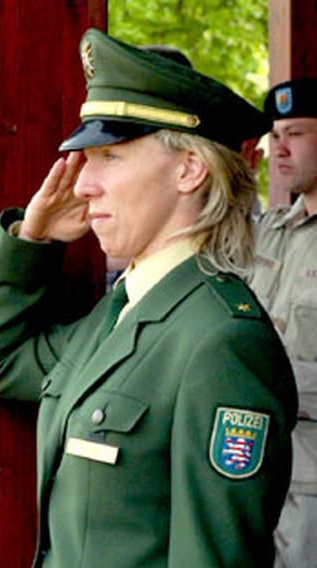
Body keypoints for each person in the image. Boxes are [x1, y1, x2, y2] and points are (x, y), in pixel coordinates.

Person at [0, 29, 297, 566]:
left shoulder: (223, 343)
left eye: (110, 157)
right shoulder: (122, 313)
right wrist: (33, 240)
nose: (83, 185)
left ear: (189, 169)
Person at [249, 77, 317, 568]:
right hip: (254, 472)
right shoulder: (269, 231)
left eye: (295, 133)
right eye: (275, 137)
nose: (280, 149)